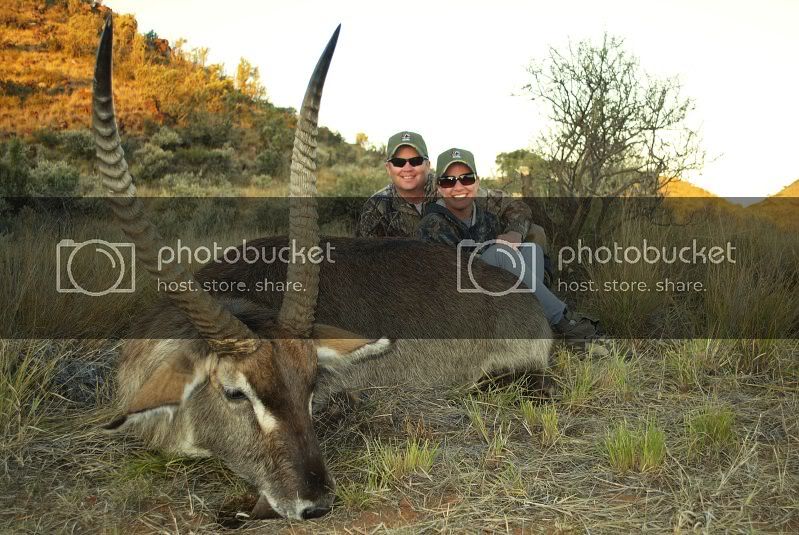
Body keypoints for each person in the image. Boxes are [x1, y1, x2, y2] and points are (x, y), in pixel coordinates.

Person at [417, 147, 600, 342]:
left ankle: (534, 327)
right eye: (448, 181)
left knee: (531, 249)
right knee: (501, 254)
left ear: (477, 183)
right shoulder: (433, 223)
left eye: (467, 179)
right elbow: (457, 275)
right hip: (457, 306)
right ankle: (562, 320)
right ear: (439, 188)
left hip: (492, 296)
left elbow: (521, 211)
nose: (459, 187)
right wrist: (499, 255)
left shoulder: (485, 215)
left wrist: (514, 234)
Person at [356, 131, 536, 243]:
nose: (407, 168)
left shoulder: (449, 185)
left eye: (416, 161)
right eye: (398, 162)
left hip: (457, 272)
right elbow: (363, 256)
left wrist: (515, 233)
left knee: (536, 233)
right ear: (388, 168)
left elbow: (515, 206)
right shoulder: (376, 207)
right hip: (405, 284)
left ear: (427, 164)